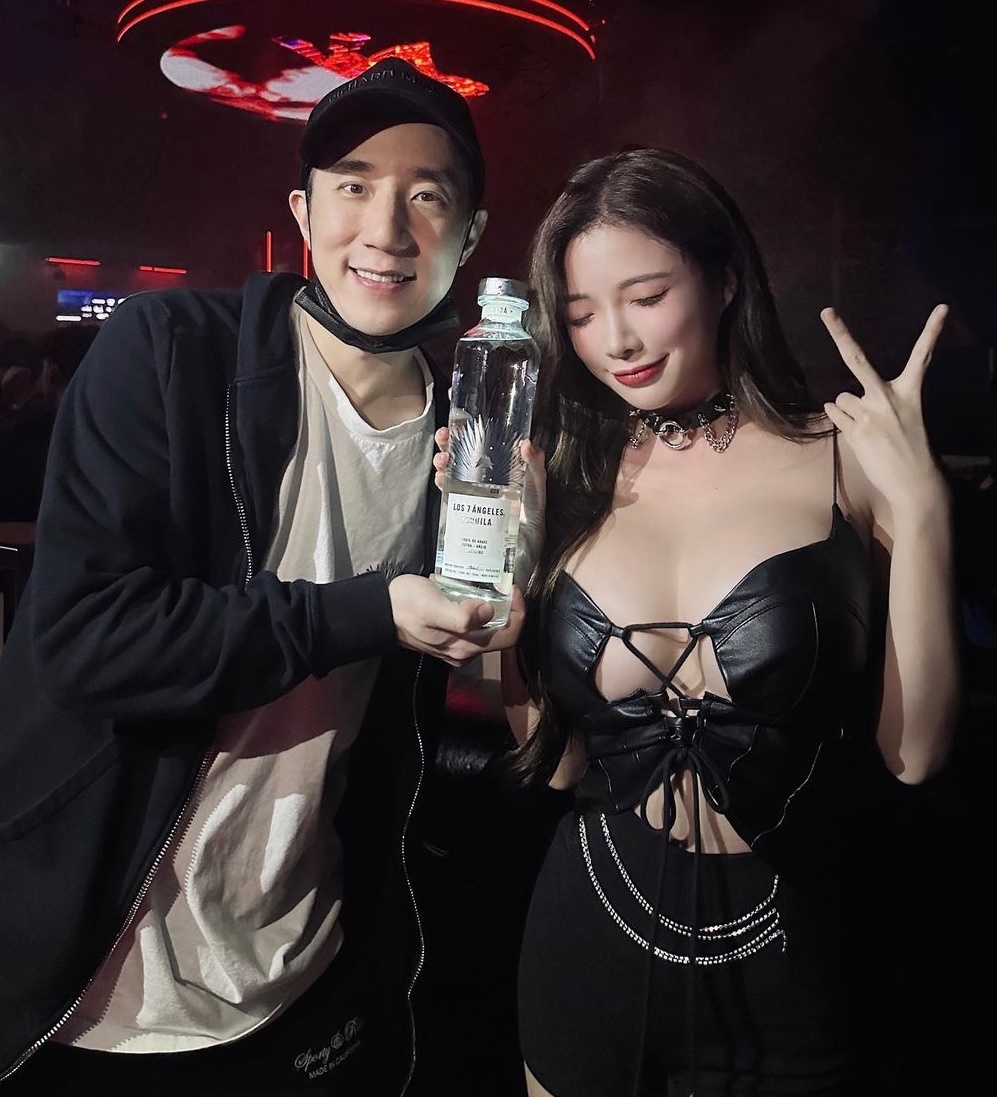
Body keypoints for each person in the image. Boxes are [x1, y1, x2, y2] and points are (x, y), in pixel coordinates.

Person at [0, 57, 522, 1097]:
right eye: (353, 186)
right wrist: (370, 611)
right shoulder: (169, 353)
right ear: (302, 211)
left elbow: (474, 686)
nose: (386, 229)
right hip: (90, 983)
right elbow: (85, 637)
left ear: (469, 235)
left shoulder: (471, 443)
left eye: (427, 197)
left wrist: (518, 585)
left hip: (305, 962)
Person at [498, 146, 959, 1096]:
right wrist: (507, 587)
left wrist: (921, 507)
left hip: (793, 960)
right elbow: (557, 761)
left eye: (645, 295)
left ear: (723, 279)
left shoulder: (843, 459)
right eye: (579, 314)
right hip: (586, 938)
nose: (615, 338)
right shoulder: (570, 475)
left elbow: (914, 753)